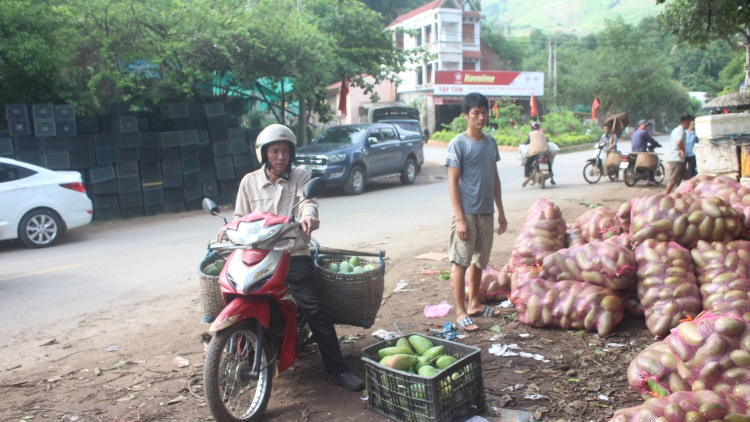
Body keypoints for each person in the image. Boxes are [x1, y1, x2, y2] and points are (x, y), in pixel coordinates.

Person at [228, 124, 364, 391]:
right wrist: (228, 228)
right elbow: (238, 217)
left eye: (285, 151)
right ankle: (234, 356)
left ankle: (338, 370)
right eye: (274, 151)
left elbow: (307, 202)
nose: (281, 157)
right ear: (264, 154)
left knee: (315, 309)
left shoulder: (300, 176)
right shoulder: (249, 182)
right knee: (236, 295)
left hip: (292, 253)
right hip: (257, 253)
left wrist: (308, 216)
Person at [444, 92, 508, 332]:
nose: (481, 117)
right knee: (460, 262)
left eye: (484, 112)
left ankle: (475, 305)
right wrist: (460, 219)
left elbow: (495, 178)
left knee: (480, 261)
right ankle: (460, 312)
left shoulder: (490, 142)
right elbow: (452, 184)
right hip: (467, 214)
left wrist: (500, 210)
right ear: (465, 116)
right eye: (476, 113)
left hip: (486, 212)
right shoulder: (458, 144)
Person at [665, 114, 694, 194]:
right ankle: (665, 196)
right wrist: (683, 151)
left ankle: (688, 192)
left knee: (689, 178)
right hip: (676, 160)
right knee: (672, 180)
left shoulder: (675, 130)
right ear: (686, 122)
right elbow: (679, 141)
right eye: (690, 122)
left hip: (679, 160)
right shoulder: (680, 130)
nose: (690, 125)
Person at [522, 122, 556, 186]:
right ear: (538, 128)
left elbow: (526, 142)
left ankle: (526, 177)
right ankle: (551, 177)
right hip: (544, 152)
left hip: (534, 153)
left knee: (527, 164)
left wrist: (523, 144)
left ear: (532, 128)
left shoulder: (530, 134)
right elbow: (547, 141)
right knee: (549, 164)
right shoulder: (543, 134)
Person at [631, 119, 662, 186]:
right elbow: (650, 140)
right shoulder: (644, 132)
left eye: (646, 125)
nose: (646, 126)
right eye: (644, 125)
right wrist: (657, 145)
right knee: (651, 162)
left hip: (633, 151)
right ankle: (651, 180)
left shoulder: (635, 132)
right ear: (640, 125)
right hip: (641, 152)